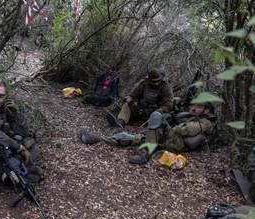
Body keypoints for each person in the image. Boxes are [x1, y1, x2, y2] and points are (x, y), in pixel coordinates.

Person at [82, 102, 215, 164]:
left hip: (177, 144)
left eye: (198, 106)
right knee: (132, 137)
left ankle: (144, 154)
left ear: (207, 110)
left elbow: (184, 130)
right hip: (169, 138)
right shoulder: (191, 115)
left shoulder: (206, 123)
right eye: (195, 105)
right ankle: (96, 139)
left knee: (157, 116)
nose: (194, 108)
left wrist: (168, 125)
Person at [106, 69, 174, 128]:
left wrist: (159, 110)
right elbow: (133, 95)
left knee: (162, 117)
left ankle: (150, 129)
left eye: (157, 81)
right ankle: (121, 122)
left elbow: (169, 104)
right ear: (149, 79)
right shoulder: (144, 83)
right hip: (142, 108)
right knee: (127, 104)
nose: (156, 83)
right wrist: (131, 99)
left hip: (156, 111)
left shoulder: (165, 87)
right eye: (153, 81)